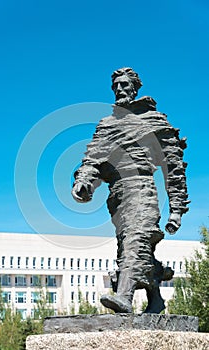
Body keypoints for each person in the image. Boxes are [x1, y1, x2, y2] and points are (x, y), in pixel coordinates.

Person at [72, 67, 189, 313]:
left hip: (141, 189)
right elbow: (93, 161)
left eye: (125, 84)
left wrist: (176, 210)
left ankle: (123, 297)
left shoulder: (154, 121)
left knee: (136, 240)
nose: (119, 89)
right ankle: (155, 300)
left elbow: (173, 167)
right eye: (116, 85)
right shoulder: (107, 125)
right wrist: (83, 183)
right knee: (130, 247)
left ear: (135, 87)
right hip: (117, 198)